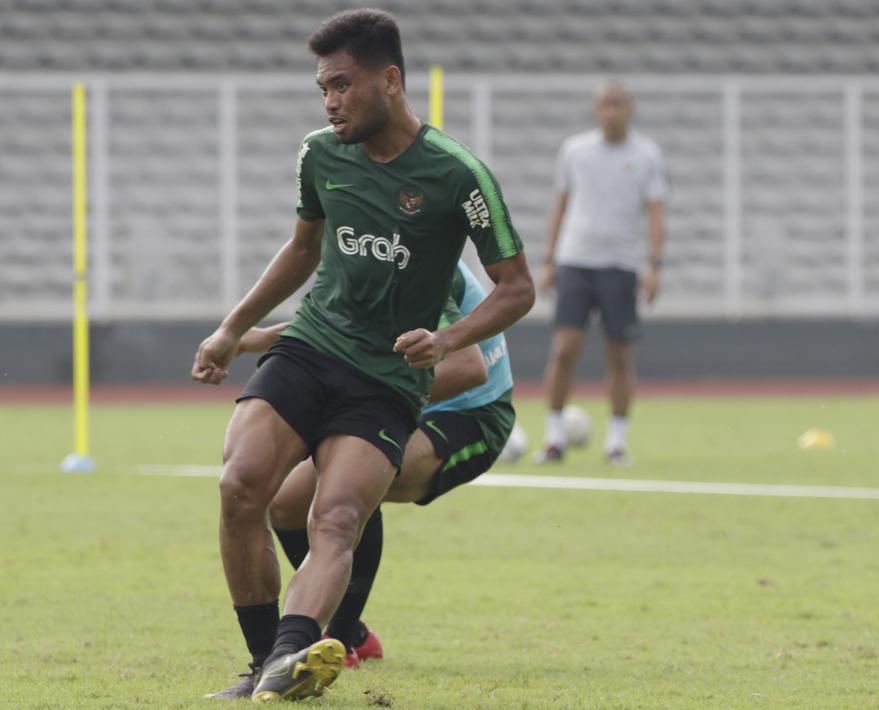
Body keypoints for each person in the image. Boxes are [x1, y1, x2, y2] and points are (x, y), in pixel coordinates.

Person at [191, 9, 534, 702]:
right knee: (240, 488)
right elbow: (301, 250)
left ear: (390, 80)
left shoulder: (457, 175)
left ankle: (292, 663)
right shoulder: (320, 153)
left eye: (342, 85)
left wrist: (446, 339)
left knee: (338, 516)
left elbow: (516, 287)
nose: (330, 101)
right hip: (311, 348)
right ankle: (265, 664)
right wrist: (232, 328)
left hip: (383, 382)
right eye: (322, 87)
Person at [248, 262, 516, 672]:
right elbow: (333, 327)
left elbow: (468, 369)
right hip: (404, 404)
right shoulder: (356, 245)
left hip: (472, 413)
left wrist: (367, 393)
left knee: (358, 476)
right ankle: (355, 634)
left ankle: (339, 636)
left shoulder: (428, 257)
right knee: (285, 504)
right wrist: (248, 338)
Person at [536, 81, 668, 466]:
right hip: (576, 260)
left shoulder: (647, 154)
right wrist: (549, 259)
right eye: (604, 105)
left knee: (620, 356)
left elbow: (657, 211)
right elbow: (560, 204)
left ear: (630, 109)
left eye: (618, 104)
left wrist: (655, 265)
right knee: (564, 351)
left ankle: (616, 443)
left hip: (621, 265)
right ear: (596, 110)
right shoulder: (575, 151)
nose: (611, 111)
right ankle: (554, 437)